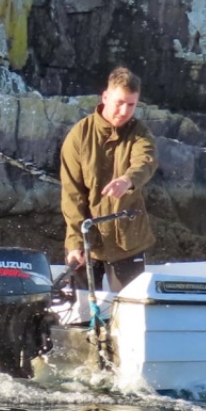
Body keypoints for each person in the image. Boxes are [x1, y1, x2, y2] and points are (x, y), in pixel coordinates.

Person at [60, 67, 159, 291]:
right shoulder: (78, 135)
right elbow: (72, 194)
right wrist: (75, 243)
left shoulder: (141, 133)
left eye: (131, 105)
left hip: (128, 242)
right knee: (82, 314)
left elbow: (146, 162)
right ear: (105, 97)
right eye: (119, 102)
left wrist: (127, 180)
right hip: (86, 242)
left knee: (128, 313)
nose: (124, 111)